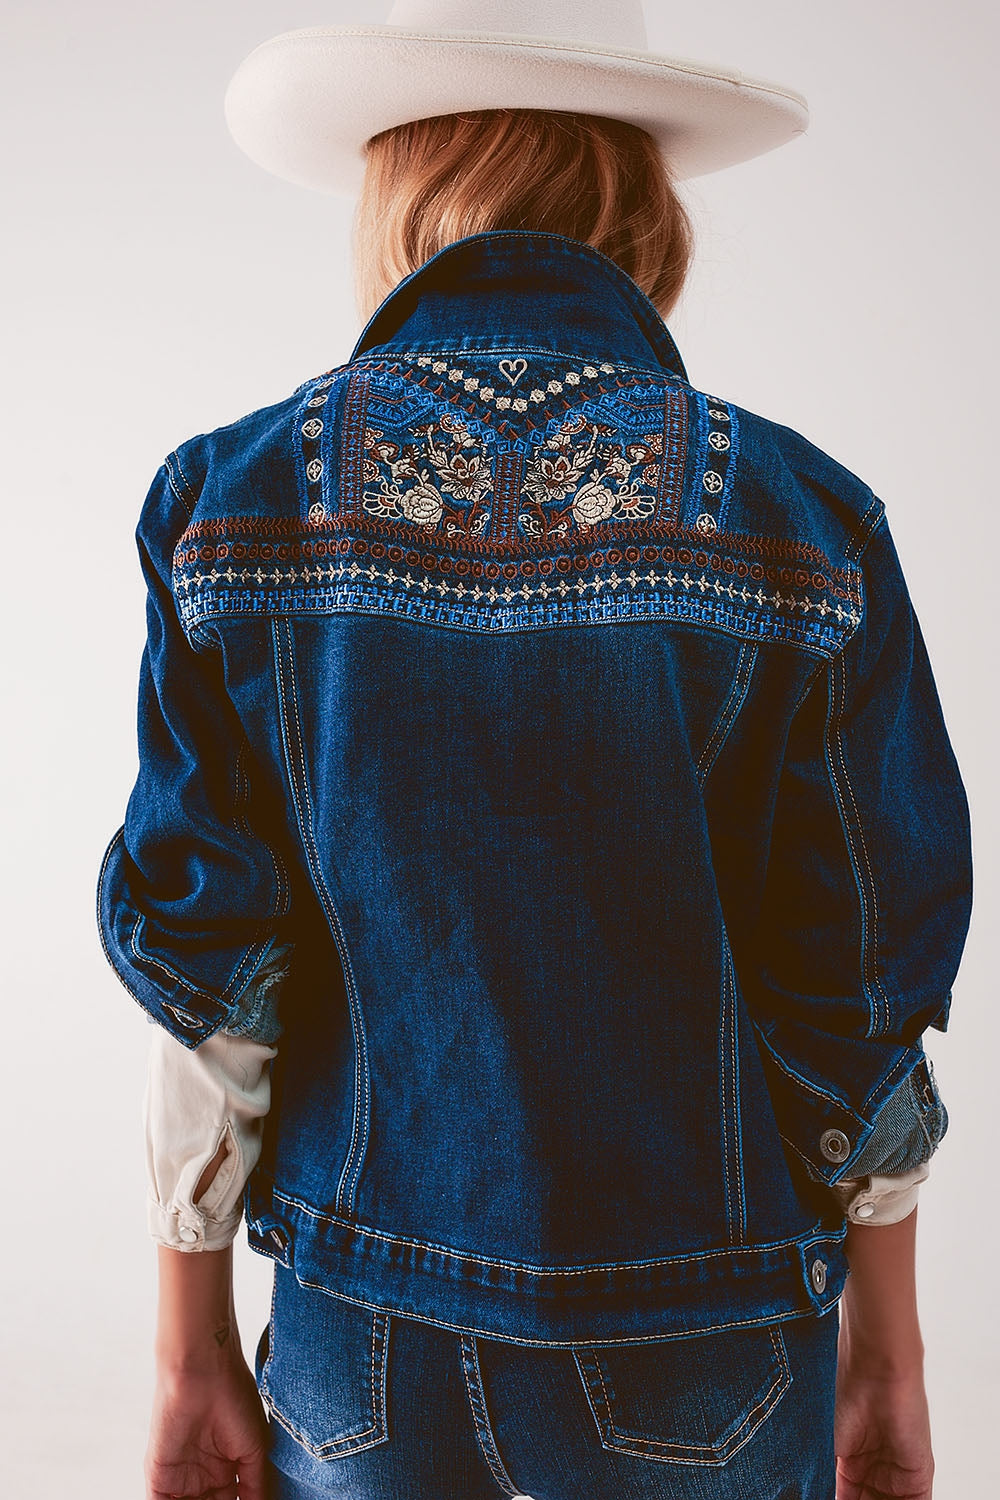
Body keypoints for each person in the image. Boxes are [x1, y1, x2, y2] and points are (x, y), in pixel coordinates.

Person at [95, 4, 972, 1498]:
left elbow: (215, 979)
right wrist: (891, 1358)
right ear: (642, 212)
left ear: (399, 201)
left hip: (359, 1333)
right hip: (711, 1334)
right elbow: (859, 993)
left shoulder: (232, 502)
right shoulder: (805, 518)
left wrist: (189, 1356)